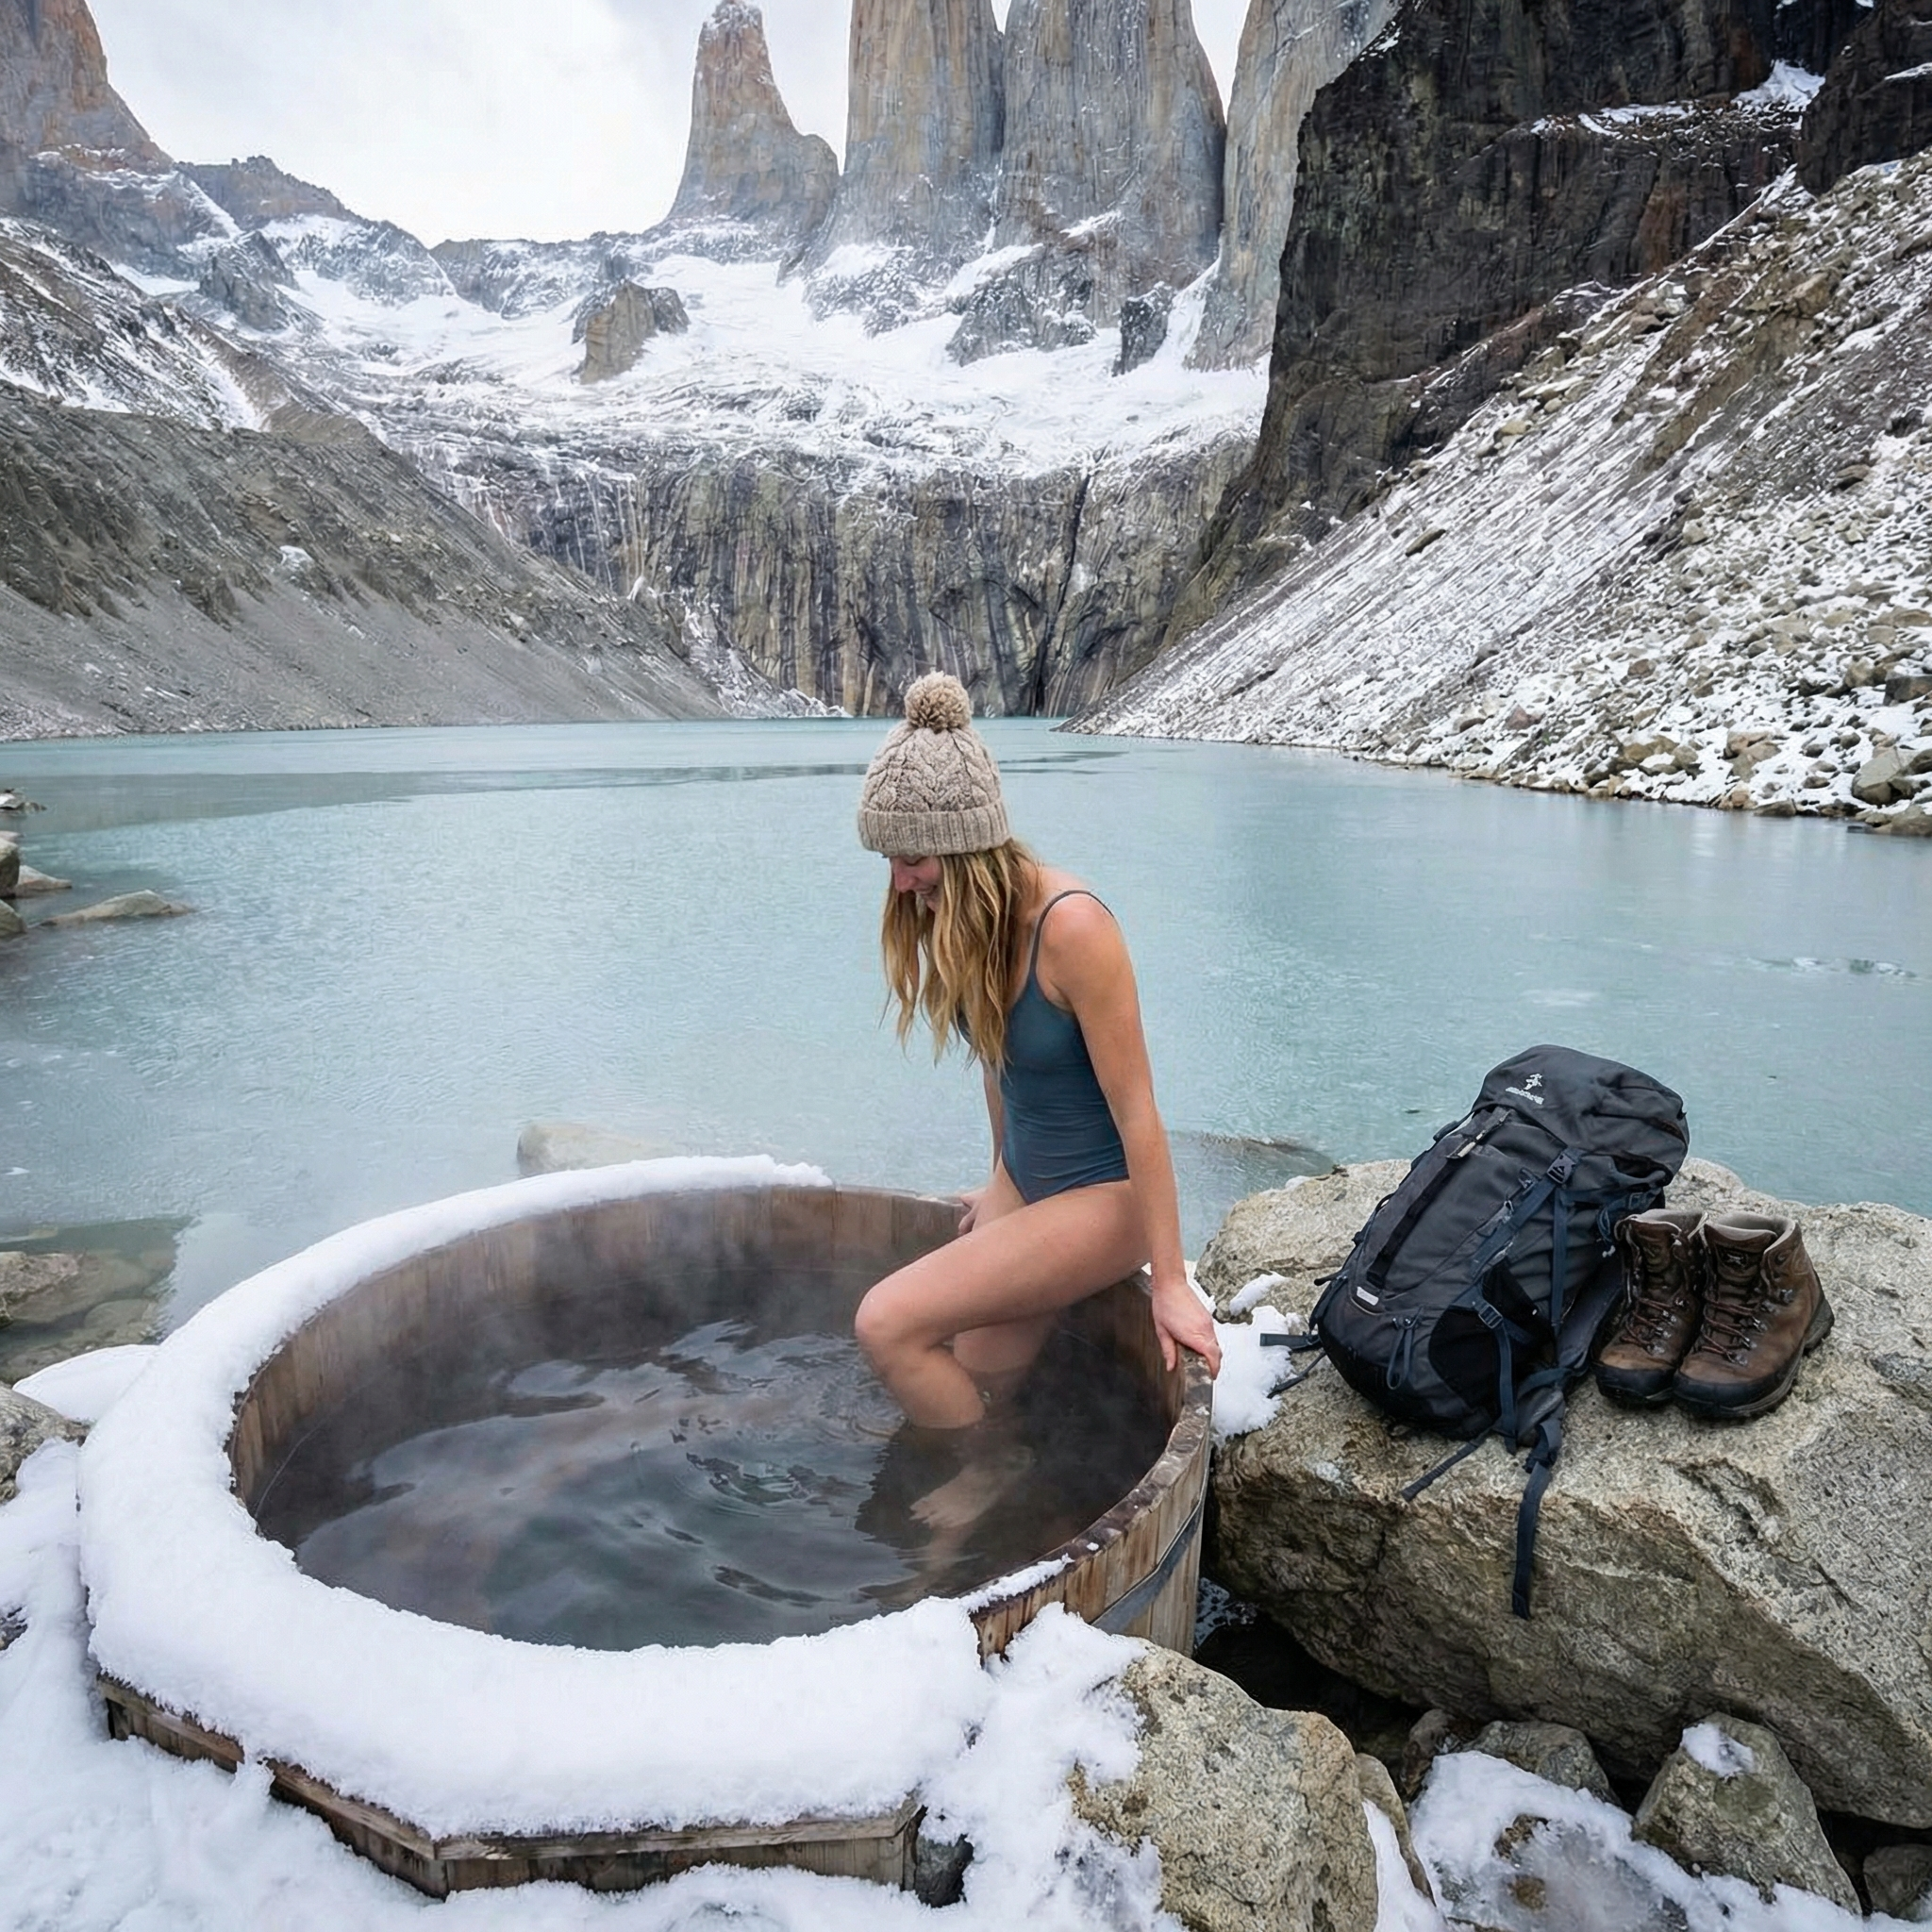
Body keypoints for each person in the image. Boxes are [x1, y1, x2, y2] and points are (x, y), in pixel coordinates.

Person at [851, 672, 1222, 1442]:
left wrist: (1172, 1283)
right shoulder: (958, 917)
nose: (900, 880)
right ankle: (998, 1473)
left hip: (1106, 1199)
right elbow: (999, 1066)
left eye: (911, 857)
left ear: (965, 845)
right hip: (1030, 1185)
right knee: (977, 1374)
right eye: (889, 858)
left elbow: (1139, 1113)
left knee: (884, 1323)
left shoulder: (1072, 929)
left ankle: (983, 1475)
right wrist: (1000, 1180)